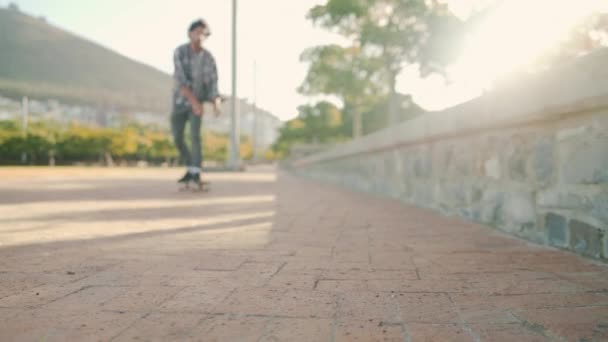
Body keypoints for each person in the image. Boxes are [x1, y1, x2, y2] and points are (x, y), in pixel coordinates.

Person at [171, 18, 221, 186]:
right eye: (198, 32)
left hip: (197, 105)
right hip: (180, 102)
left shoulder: (208, 58)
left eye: (204, 33)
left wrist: (216, 103)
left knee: (195, 136)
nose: (200, 36)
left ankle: (195, 173)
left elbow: (213, 83)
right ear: (190, 33)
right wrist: (194, 102)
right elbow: (180, 81)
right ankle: (191, 166)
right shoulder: (180, 52)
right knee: (177, 137)